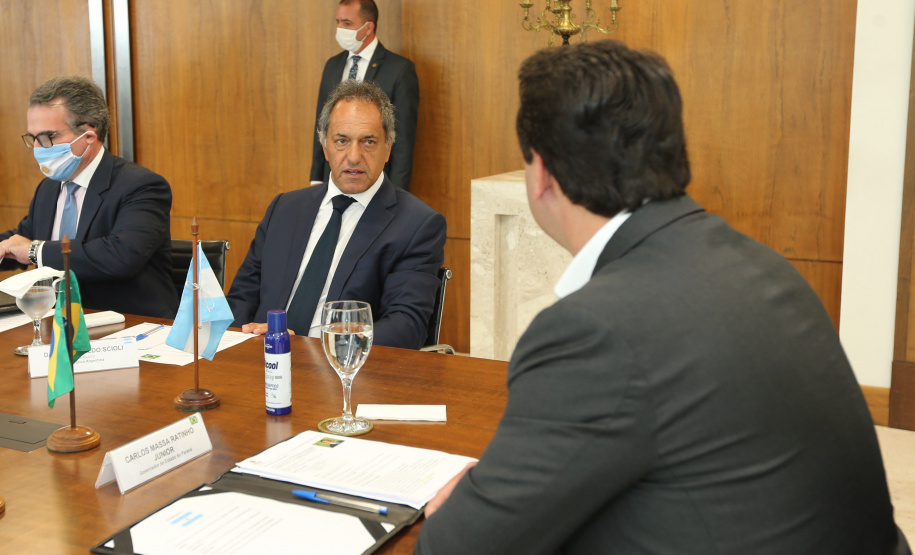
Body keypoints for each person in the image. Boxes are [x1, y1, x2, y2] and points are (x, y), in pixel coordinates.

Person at [414, 41, 910, 555]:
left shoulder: (593, 329)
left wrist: (476, 504)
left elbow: (455, 547)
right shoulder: (764, 266)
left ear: (540, 173)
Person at [228, 80, 444, 350]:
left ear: (388, 148)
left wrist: (319, 347)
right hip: (262, 359)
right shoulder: (284, 208)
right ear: (324, 146)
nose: (354, 157)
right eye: (342, 141)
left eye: (368, 142)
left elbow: (406, 326)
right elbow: (241, 299)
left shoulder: (417, 224)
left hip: (342, 366)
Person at [0, 76, 178, 319]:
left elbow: (121, 256)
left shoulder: (141, 186)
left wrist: (33, 251)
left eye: (47, 137)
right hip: (58, 323)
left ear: (88, 136)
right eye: (33, 138)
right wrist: (12, 247)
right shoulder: (48, 188)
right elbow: (23, 239)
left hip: (129, 323)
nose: (38, 149)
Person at [310, 0, 419, 191]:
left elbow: (403, 141)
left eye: (347, 23)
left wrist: (397, 193)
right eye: (338, 22)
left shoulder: (400, 70)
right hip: (334, 178)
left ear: (368, 28)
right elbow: (322, 126)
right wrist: (316, 179)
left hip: (377, 181)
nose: (340, 29)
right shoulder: (333, 65)